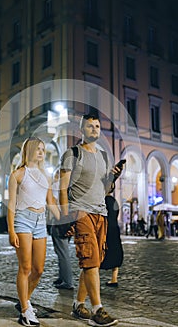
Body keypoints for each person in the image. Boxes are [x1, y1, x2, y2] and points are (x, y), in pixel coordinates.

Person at [59, 113, 122, 327]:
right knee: (90, 259)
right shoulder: (72, 154)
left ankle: (78, 304)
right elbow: (62, 188)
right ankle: (97, 310)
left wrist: (113, 178)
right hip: (80, 212)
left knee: (92, 261)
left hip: (100, 213)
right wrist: (65, 217)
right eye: (90, 126)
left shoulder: (104, 156)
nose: (94, 129)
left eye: (97, 126)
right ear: (81, 130)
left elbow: (105, 189)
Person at [7, 137, 60, 327]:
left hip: (40, 222)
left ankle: (24, 300)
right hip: (23, 220)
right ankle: (25, 311)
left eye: (43, 149)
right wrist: (11, 230)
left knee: (39, 269)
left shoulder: (45, 176)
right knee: (26, 268)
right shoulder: (18, 175)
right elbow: (11, 205)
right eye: (37, 149)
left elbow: (50, 201)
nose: (41, 152)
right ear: (29, 150)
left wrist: (62, 218)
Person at [50, 168, 74, 290]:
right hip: (69, 219)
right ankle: (62, 277)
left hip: (59, 219)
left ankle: (67, 281)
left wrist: (58, 218)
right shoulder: (71, 186)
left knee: (62, 252)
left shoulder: (56, 185)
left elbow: (52, 201)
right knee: (61, 250)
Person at [100, 194, 124, 288]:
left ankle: (94, 278)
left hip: (105, 228)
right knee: (115, 251)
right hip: (114, 228)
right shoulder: (114, 201)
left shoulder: (102, 201)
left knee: (100, 252)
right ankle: (114, 279)